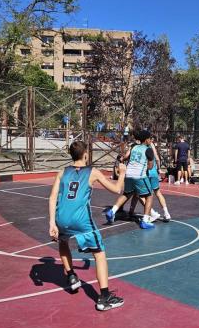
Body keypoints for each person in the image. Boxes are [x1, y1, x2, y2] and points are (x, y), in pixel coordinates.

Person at [49, 141, 126, 311]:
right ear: (85, 154)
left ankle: (71, 276)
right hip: (81, 220)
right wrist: (122, 173)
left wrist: (52, 222)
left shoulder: (62, 172)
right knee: (99, 253)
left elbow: (53, 197)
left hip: (61, 218)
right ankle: (104, 297)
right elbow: (116, 189)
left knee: (63, 241)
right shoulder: (93, 172)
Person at [104, 130, 155, 229]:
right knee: (149, 195)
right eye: (150, 138)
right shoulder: (148, 150)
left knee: (127, 194)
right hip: (139, 175)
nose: (151, 140)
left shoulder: (134, 147)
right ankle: (145, 220)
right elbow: (150, 166)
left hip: (128, 174)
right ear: (147, 139)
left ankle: (112, 211)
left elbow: (126, 157)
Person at [128, 136, 171, 222]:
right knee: (158, 193)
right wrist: (158, 169)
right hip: (154, 172)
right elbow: (158, 158)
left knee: (139, 194)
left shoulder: (139, 147)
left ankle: (152, 213)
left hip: (145, 173)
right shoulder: (152, 146)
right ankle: (166, 213)